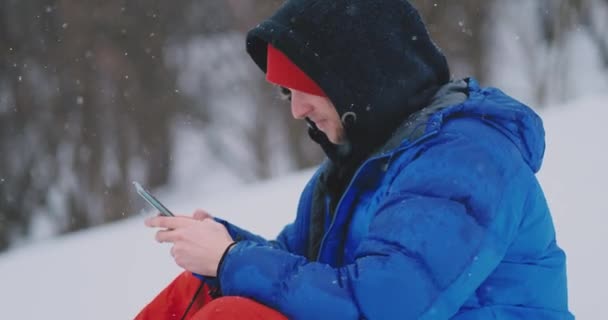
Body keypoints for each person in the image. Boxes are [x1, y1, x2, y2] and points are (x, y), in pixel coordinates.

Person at [136, 0, 573, 319]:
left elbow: (388, 305)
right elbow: (302, 269)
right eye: (286, 93)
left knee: (234, 316)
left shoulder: (463, 157)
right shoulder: (354, 172)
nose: (296, 110)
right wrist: (221, 246)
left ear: (355, 80)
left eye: (303, 87)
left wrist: (232, 259)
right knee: (199, 289)